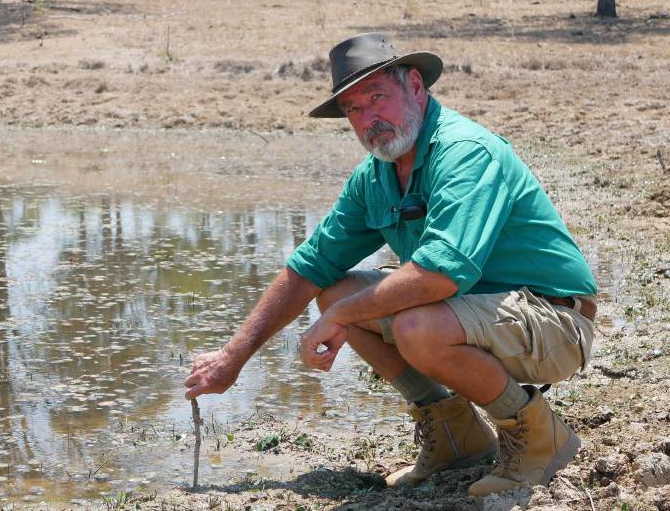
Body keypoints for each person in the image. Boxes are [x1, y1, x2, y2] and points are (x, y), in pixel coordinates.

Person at [184, 32, 598, 497]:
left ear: (415, 86)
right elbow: (309, 268)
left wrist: (342, 317)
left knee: (410, 324)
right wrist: (231, 359)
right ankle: (454, 436)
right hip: (473, 313)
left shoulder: (464, 152)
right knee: (337, 290)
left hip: (555, 320)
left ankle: (539, 434)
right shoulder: (375, 176)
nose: (369, 119)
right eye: (354, 110)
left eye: (377, 96)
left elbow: (440, 275)